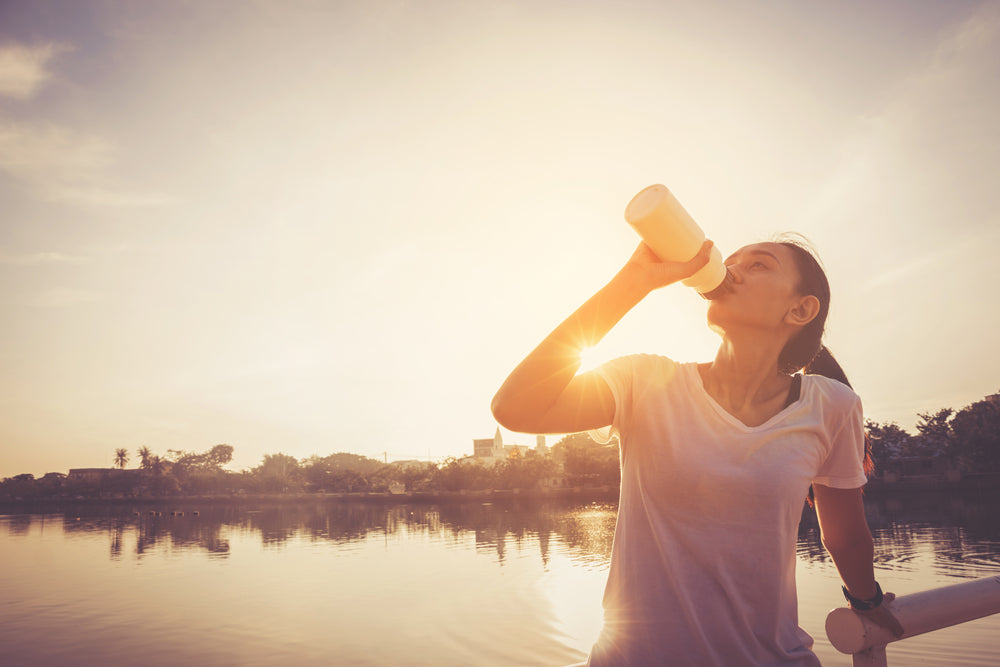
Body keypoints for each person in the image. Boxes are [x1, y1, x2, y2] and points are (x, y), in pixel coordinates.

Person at [491, 235, 904, 665]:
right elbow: (515, 407)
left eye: (759, 265)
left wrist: (867, 601)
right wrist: (634, 281)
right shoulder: (646, 381)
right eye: (732, 261)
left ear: (800, 309)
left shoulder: (832, 405)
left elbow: (845, 536)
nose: (731, 270)